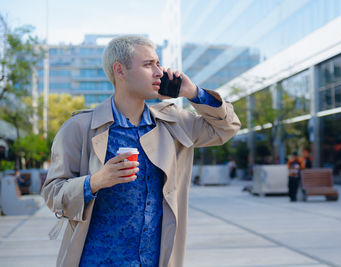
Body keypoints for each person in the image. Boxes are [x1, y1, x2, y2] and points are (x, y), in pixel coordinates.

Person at [41, 35, 241, 267]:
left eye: (158, 63)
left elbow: (227, 127)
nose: (159, 72)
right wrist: (95, 181)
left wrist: (193, 92)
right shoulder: (80, 127)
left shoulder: (173, 123)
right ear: (120, 71)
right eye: (148, 64)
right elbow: (52, 194)